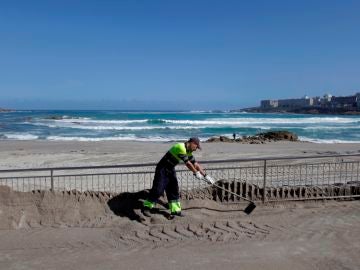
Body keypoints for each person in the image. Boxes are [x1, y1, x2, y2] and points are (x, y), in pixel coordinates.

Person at [142, 137, 215, 217]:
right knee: (158, 189)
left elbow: (195, 164)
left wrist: (206, 176)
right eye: (196, 146)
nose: (196, 149)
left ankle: (176, 211)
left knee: (174, 190)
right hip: (162, 169)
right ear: (192, 143)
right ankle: (146, 207)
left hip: (170, 169)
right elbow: (188, 164)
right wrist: (196, 173)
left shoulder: (188, 152)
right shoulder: (180, 147)